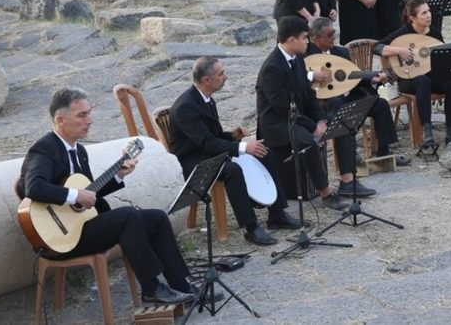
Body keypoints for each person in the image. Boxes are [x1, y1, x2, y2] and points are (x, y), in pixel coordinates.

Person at [18, 88, 197, 305]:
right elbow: (33, 188)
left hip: (81, 226)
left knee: (157, 218)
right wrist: (75, 195)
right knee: (128, 216)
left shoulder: (79, 151)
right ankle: (151, 288)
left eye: (89, 113)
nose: (90, 120)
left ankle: (182, 286)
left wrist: (118, 175)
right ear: (60, 119)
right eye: (82, 115)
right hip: (60, 238)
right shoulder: (44, 149)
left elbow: (90, 194)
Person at [167, 57, 302, 246]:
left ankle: (277, 213)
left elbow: (212, 136)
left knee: (265, 152)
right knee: (232, 170)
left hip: (207, 151)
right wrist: (243, 147)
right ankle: (251, 227)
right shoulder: (186, 107)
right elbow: (205, 142)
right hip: (193, 161)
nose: (226, 76)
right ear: (206, 80)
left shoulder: (206, 98)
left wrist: (232, 136)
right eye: (221, 73)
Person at [255, 17, 350, 212]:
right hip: (277, 123)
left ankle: (349, 178)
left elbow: (308, 95)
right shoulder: (272, 68)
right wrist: (314, 127)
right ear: (291, 40)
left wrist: (322, 120)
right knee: (307, 141)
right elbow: (282, 108)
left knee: (339, 123)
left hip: (295, 117)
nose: (308, 42)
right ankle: (325, 193)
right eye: (305, 38)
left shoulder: (298, 59)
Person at [305, 17, 410, 167]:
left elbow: (354, 76)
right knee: (337, 102)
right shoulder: (306, 56)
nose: (333, 37)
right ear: (315, 38)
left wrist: (373, 79)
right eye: (329, 35)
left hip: (347, 97)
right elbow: (299, 79)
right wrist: (313, 75)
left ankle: (384, 153)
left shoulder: (341, 52)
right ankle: (349, 153)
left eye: (334, 32)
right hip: (325, 102)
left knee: (380, 104)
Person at [375, 0, 451, 144]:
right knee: (423, 81)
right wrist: (399, 50)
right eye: (423, 13)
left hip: (431, 77)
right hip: (407, 79)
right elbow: (376, 47)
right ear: (412, 18)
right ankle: (427, 131)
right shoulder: (404, 32)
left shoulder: (434, 33)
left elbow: (442, 60)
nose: (429, 15)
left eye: (428, 11)